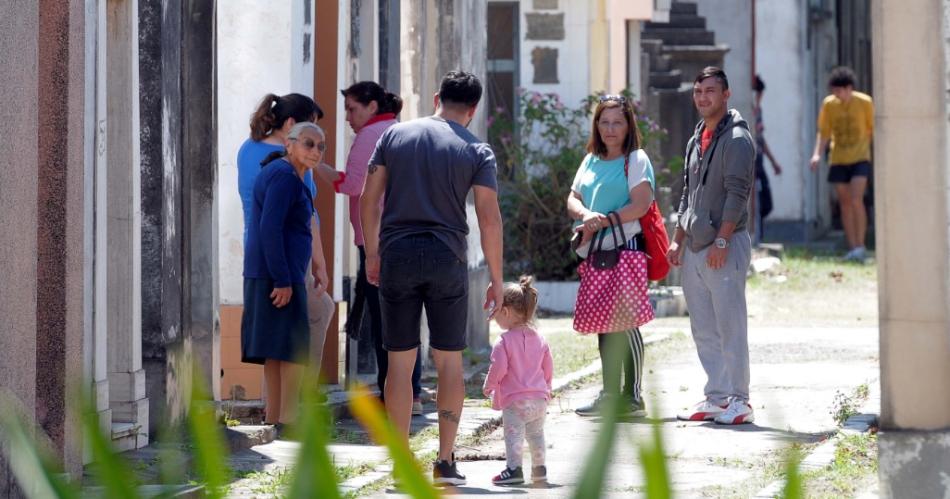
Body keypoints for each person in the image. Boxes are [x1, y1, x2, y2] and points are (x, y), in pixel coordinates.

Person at [361, 70, 504, 486]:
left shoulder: (394, 136)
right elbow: (489, 218)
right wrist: (496, 278)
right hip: (447, 256)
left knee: (400, 364)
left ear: (437, 96)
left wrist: (373, 252)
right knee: (449, 362)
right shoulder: (478, 150)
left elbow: (368, 201)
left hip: (398, 253)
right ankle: (444, 460)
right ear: (473, 110)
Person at [315, 82, 425, 416]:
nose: (347, 117)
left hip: (375, 240)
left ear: (372, 107)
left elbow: (352, 186)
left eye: (352, 109)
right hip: (404, 235)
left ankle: (391, 394)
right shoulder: (399, 130)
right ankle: (413, 393)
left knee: (384, 322)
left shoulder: (370, 136)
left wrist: (313, 163)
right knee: (405, 318)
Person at [238, 94, 334, 419]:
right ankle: (289, 418)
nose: (316, 152)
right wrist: (283, 278)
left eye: (321, 146)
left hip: (277, 267)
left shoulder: (289, 173)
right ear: (290, 142)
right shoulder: (283, 175)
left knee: (279, 350)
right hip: (277, 269)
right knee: (292, 348)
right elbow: (271, 228)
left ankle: (277, 419)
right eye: (309, 144)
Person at [668, 67, 756, 425]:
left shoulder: (736, 139)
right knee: (703, 326)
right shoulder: (697, 138)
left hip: (725, 244)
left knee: (730, 325)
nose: (703, 97)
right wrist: (678, 240)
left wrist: (722, 239)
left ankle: (741, 399)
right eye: (698, 91)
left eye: (710, 91)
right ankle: (717, 397)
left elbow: (738, 193)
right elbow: (688, 193)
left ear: (726, 95)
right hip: (695, 246)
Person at [567, 94, 655, 418]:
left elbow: (641, 204)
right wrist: (585, 213)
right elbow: (572, 198)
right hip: (595, 251)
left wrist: (601, 220)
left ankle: (632, 398)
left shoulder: (636, 159)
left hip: (626, 248)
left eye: (617, 122)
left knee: (626, 321)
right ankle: (609, 394)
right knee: (605, 323)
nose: (610, 128)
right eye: (604, 122)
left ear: (629, 124)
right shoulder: (590, 159)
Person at [482, 276, 552, 486]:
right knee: (536, 434)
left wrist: (489, 386)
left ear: (506, 311)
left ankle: (514, 470)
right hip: (539, 400)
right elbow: (548, 367)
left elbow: (499, 368)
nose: (494, 316)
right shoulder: (540, 338)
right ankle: (539, 470)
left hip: (516, 402)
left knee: (514, 436)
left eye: (496, 311)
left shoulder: (503, 341)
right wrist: (547, 388)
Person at [809, 66, 875, 262]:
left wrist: (866, 149)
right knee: (845, 204)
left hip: (860, 157)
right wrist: (817, 155)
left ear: (849, 88)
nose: (836, 95)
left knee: (857, 199)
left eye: (839, 91)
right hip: (838, 158)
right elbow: (824, 132)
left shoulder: (865, 102)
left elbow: (872, 129)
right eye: (834, 91)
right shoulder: (829, 105)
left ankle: (861, 246)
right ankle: (853, 246)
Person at [752, 75, 782, 244]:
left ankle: (760, 234)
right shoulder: (747, 111)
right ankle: (758, 237)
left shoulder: (758, 111)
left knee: (766, 202)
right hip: (753, 161)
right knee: (759, 200)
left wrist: (773, 161)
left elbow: (761, 139)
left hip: (761, 160)